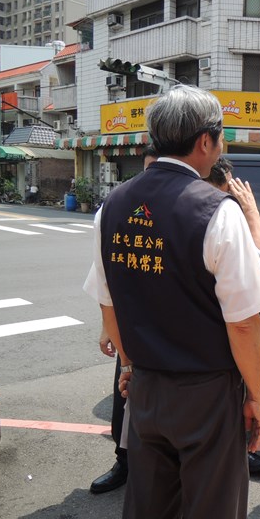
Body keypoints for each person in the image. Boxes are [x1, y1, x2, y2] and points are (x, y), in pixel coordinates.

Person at [85, 85, 260, 519]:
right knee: (213, 517)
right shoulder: (216, 210)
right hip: (206, 392)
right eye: (221, 136)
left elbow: (107, 301)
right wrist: (258, 394)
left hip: (146, 390)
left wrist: (129, 367)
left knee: (147, 514)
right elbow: (245, 320)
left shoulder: (112, 205)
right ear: (205, 141)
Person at [87, 146, 158, 495]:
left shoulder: (191, 212)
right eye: (147, 170)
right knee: (126, 401)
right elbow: (106, 276)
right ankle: (124, 463)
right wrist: (106, 326)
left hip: (175, 337)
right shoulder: (124, 210)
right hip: (132, 330)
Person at [204, 156, 260, 474]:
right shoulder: (221, 214)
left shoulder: (139, 205)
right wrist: (251, 209)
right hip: (212, 355)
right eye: (229, 187)